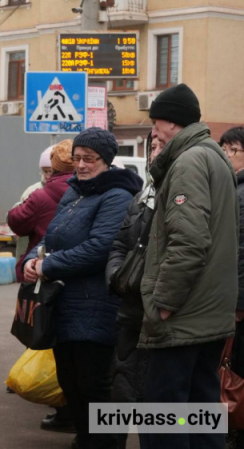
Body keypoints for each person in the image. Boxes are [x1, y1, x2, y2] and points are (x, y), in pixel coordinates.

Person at [24, 127, 143, 449]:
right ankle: (85, 440)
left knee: (95, 386)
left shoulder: (117, 196)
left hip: (97, 306)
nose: (81, 165)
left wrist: (48, 265)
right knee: (71, 383)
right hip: (65, 305)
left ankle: (102, 444)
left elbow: (100, 248)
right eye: (77, 159)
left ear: (106, 161)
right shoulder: (74, 191)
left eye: (89, 159)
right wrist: (32, 259)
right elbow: (52, 235)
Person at [139, 84, 238, 449]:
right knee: (200, 408)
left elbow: (189, 241)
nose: (153, 130)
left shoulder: (189, 161)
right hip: (209, 311)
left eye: (155, 121)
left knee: (165, 413)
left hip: (184, 312)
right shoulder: (214, 155)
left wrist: (163, 303)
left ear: (170, 121)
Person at [7, 140, 75, 433]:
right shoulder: (97, 192)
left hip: (45, 278)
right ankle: (71, 414)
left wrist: (34, 263)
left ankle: (65, 411)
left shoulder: (43, 194)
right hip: (80, 281)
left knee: (49, 339)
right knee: (75, 353)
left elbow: (16, 221)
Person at [105, 134, 164, 449]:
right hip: (130, 311)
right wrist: (116, 274)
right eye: (152, 147)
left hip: (163, 314)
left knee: (157, 399)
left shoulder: (183, 195)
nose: (155, 153)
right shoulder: (143, 197)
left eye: (162, 147)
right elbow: (119, 244)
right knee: (122, 384)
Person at [8, 140, 73, 283]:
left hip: (41, 270)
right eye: (44, 171)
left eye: (50, 170)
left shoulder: (39, 195)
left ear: (55, 167)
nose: (47, 175)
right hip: (81, 273)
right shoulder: (95, 191)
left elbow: (16, 221)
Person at [219, 126, 244, 449]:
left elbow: (239, 251)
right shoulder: (234, 187)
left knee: (236, 367)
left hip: (238, 300)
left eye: (232, 150)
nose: (225, 156)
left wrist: (238, 302)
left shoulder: (240, 192)